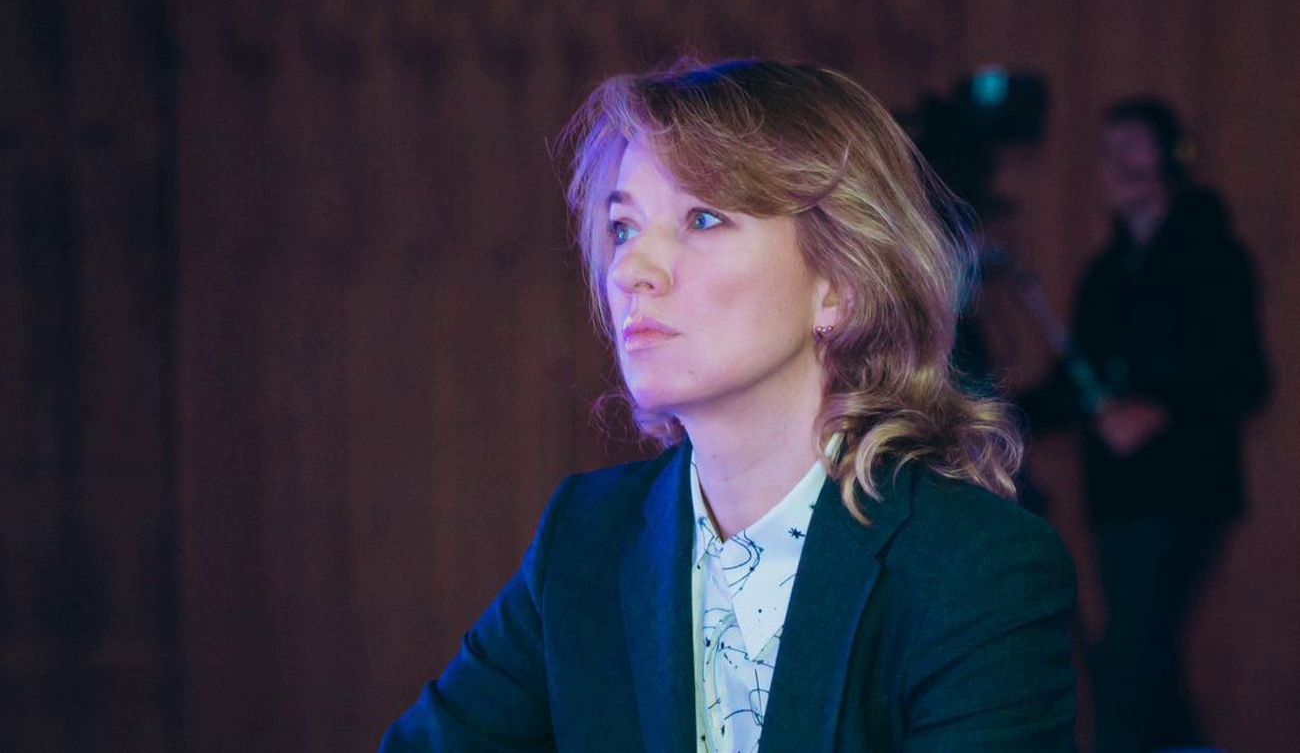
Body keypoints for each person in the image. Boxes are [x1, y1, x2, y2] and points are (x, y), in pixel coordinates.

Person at [382, 59, 1077, 752]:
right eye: (623, 227)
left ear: (842, 284)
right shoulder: (586, 540)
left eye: (703, 218)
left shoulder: (976, 566)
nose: (629, 269)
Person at [1018, 98, 1269, 752]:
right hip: (1119, 500)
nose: (1118, 164)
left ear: (1172, 157)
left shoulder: (1215, 258)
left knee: (1128, 665)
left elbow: (1244, 378)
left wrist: (1157, 411)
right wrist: (996, 414)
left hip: (1183, 490)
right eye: (1109, 150)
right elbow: (1074, 386)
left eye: (1133, 146)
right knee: (1149, 669)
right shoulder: (1105, 274)